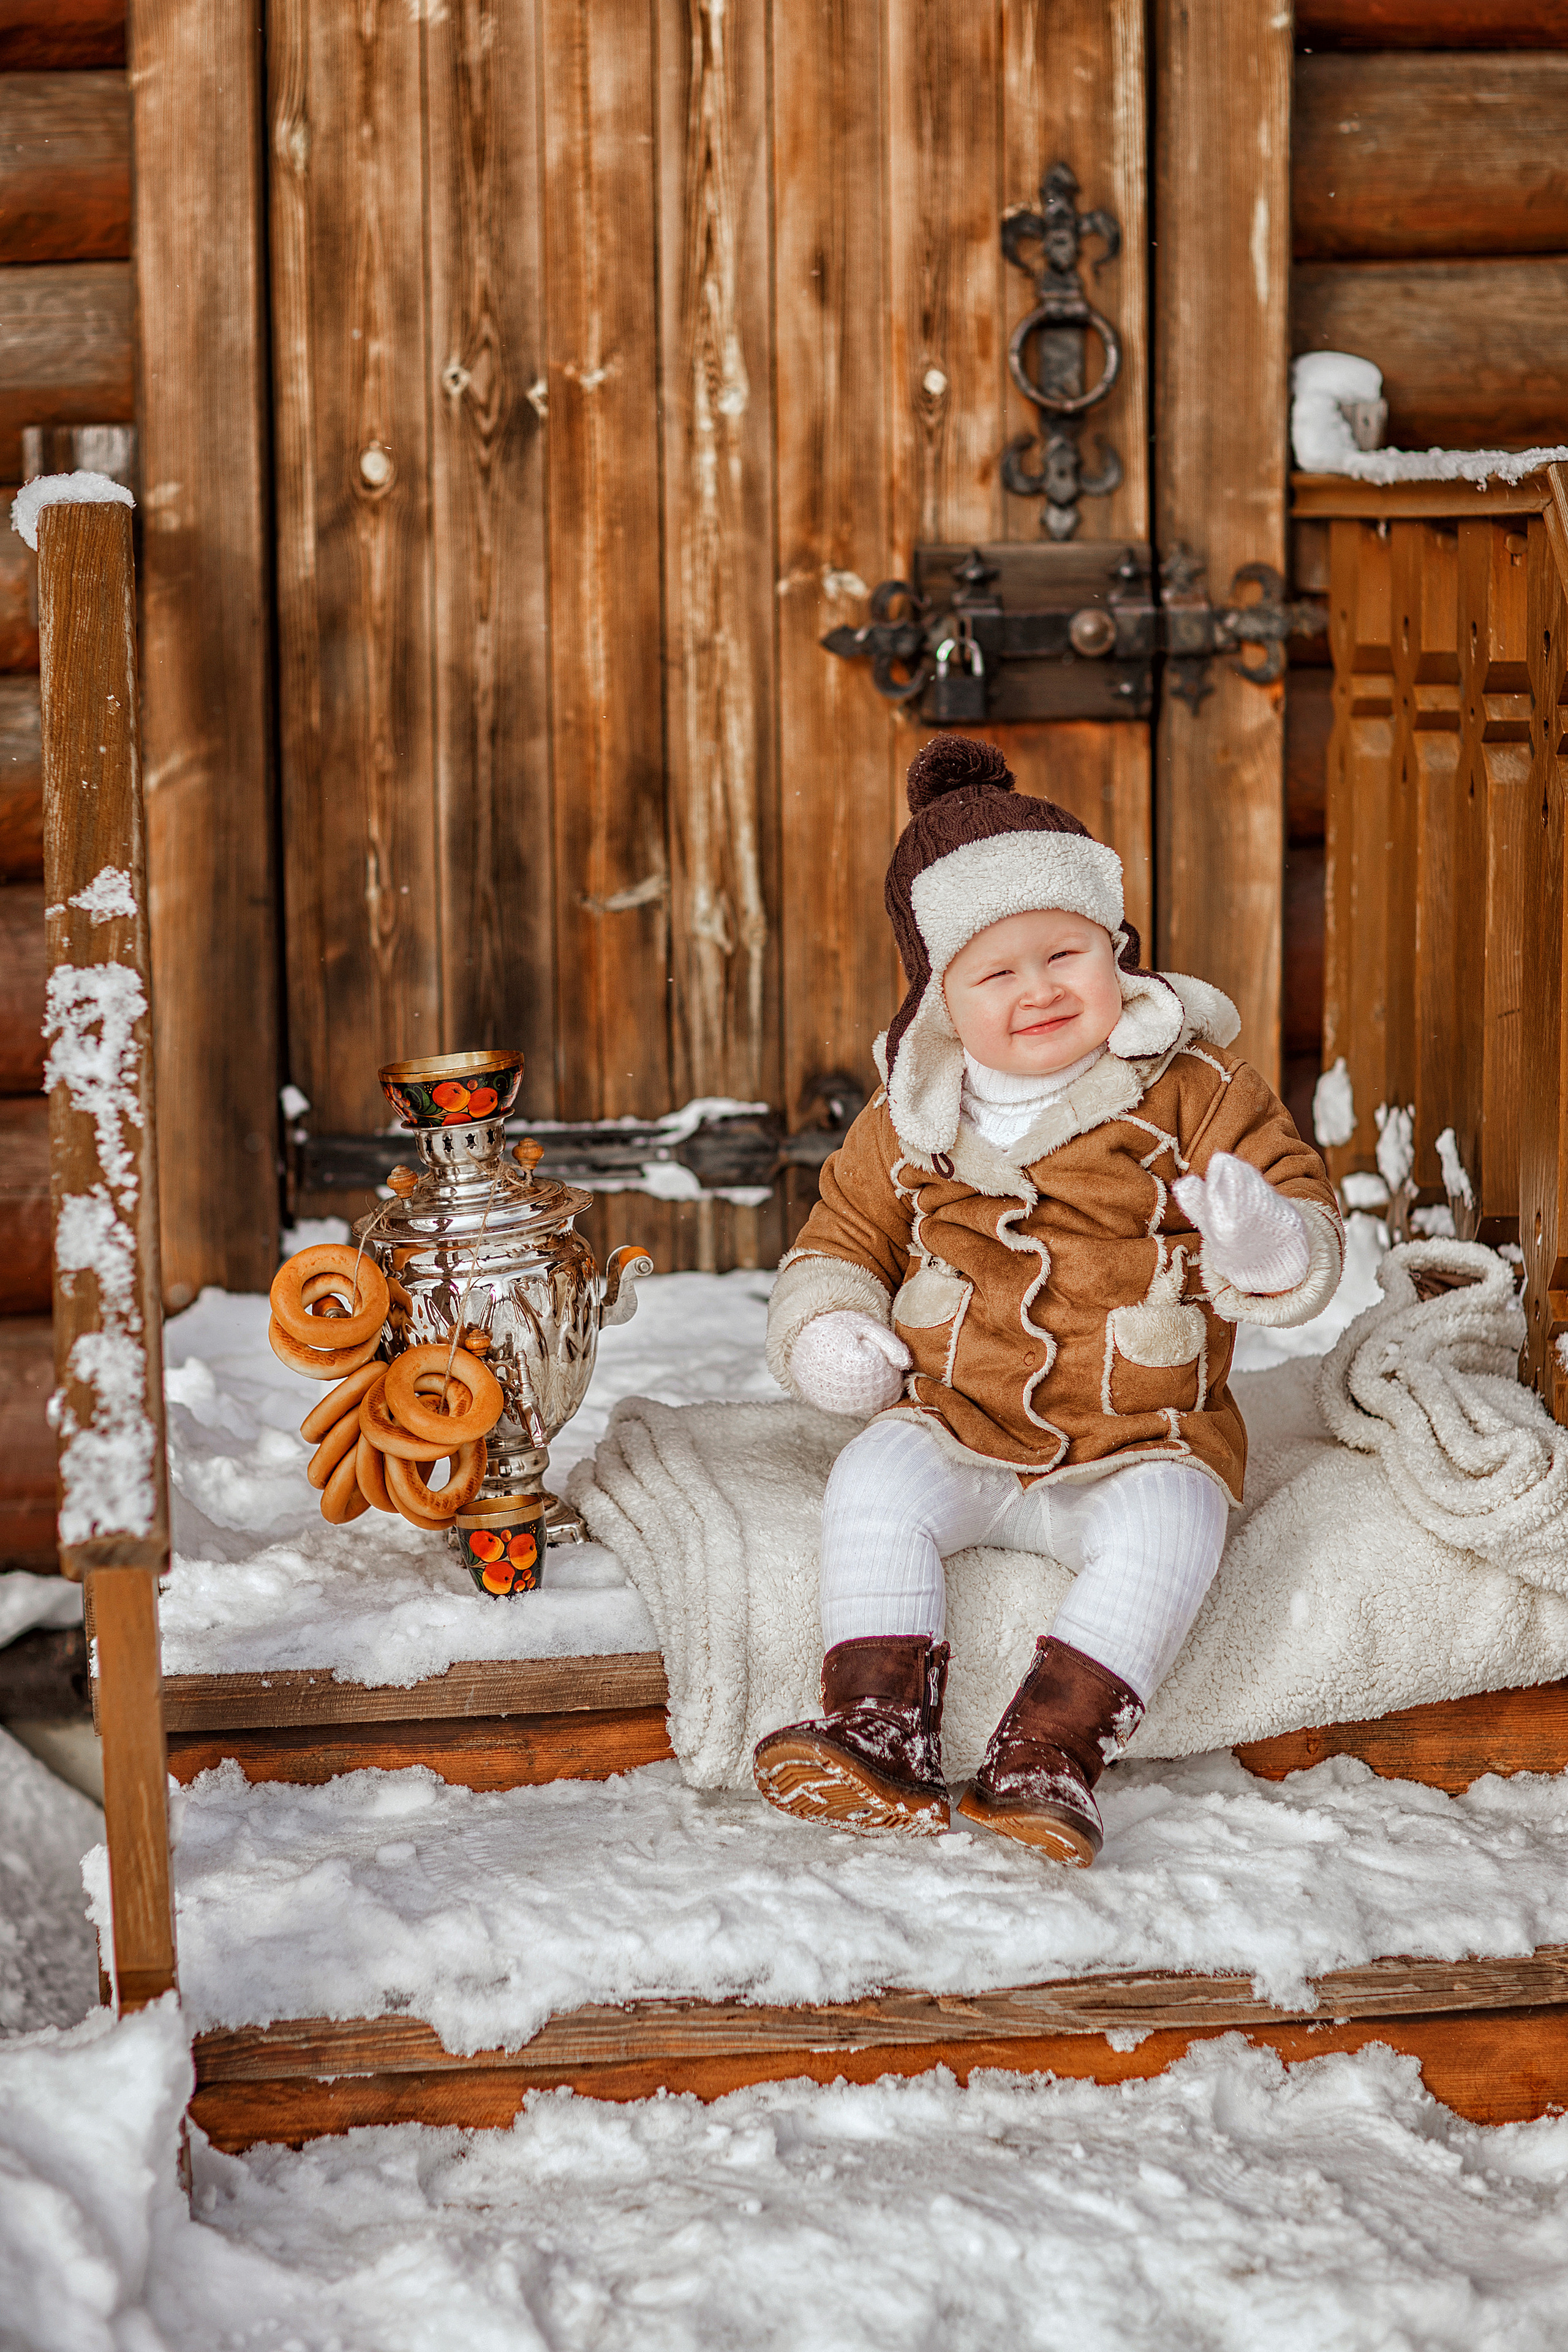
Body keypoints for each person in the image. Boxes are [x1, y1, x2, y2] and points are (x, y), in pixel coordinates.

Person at [753, 734, 1343, 1864]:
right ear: (940, 996)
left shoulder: (1190, 1081)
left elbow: (1294, 1193)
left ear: (1113, 947)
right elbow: (841, 1237)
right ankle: (876, 1725)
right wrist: (828, 1327)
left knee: (1179, 1527)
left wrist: (1267, 1241)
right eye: (995, 971)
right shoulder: (912, 1114)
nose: (1039, 990)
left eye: (1065, 953)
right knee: (874, 1477)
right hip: (963, 1421)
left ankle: (1050, 1753)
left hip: (1142, 1433)